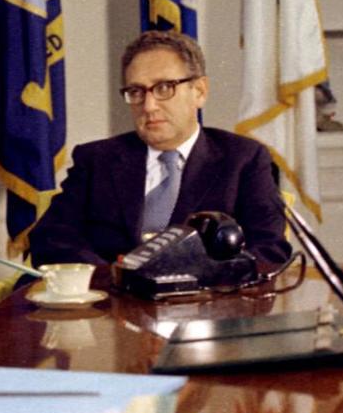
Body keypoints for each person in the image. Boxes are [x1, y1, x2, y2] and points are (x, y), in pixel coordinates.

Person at [29, 30, 291, 271]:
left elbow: (269, 250)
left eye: (164, 88)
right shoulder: (97, 160)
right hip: (110, 305)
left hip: (203, 310)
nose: (149, 105)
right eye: (136, 91)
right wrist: (115, 279)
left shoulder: (243, 159)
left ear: (199, 91)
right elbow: (51, 239)